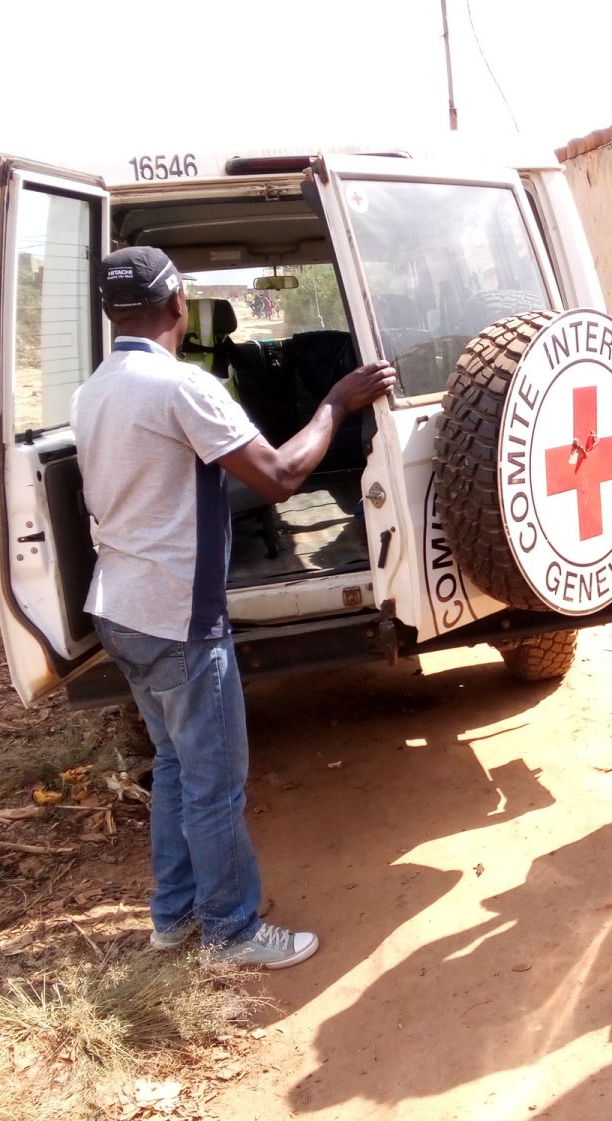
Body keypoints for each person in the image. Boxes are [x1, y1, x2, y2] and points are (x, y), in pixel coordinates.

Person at [72, 246, 394, 968]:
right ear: (179, 305)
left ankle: (175, 917)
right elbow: (280, 476)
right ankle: (231, 932)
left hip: (118, 607)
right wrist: (336, 404)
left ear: (108, 311)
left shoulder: (92, 389)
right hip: (176, 618)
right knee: (214, 784)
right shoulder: (181, 386)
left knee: (178, 768)